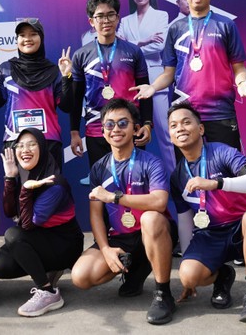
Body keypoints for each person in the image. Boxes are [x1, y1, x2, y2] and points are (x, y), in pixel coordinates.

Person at [71, 98, 177, 325]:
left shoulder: (151, 162)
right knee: (81, 276)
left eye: (122, 123)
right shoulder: (99, 168)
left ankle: (163, 293)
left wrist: (115, 197)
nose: (116, 129)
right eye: (109, 125)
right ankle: (136, 269)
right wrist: (105, 249)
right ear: (103, 131)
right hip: (121, 238)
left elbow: (159, 202)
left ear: (135, 129)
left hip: (154, 231)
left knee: (150, 218)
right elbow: (95, 215)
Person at [133, 0, 246, 150]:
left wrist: (242, 83)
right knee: (189, 168)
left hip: (220, 112)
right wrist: (153, 87)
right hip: (184, 114)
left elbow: (239, 68)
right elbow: (169, 74)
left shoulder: (226, 25)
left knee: (228, 166)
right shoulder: (175, 29)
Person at [168, 102, 246, 325]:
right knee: (188, 275)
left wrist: (218, 183)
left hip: (241, 228)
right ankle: (222, 275)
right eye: (173, 126)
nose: (180, 128)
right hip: (210, 233)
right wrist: (188, 261)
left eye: (186, 122)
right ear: (171, 137)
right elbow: (185, 222)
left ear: (200, 129)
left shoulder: (221, 151)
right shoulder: (177, 176)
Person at [0, 128, 84, 317]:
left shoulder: (55, 184)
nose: (25, 150)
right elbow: (10, 212)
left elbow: (27, 225)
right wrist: (10, 178)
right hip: (40, 239)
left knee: (13, 235)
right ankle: (50, 270)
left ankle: (48, 291)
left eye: (32, 144)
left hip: (64, 244)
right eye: (20, 146)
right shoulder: (24, 174)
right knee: (0, 265)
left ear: (42, 148)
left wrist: (25, 191)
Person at [70, 0, 153, 174]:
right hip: (96, 129)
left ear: (118, 18)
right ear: (91, 21)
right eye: (100, 16)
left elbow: (145, 91)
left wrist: (147, 124)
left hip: (130, 128)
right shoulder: (81, 55)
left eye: (110, 15)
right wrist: (74, 131)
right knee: (102, 182)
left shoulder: (133, 52)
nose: (106, 20)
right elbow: (76, 98)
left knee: (135, 180)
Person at [0, 18, 72, 167]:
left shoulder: (54, 71)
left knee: (50, 183)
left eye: (33, 34)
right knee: (15, 183)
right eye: (22, 35)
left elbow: (66, 106)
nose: (27, 39)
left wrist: (66, 77)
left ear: (41, 38)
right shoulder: (6, 69)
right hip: (15, 142)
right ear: (17, 40)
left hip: (48, 141)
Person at [118, 0, 175, 173]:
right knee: (132, 134)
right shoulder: (125, 20)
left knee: (166, 135)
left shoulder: (161, 16)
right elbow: (120, 48)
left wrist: (133, 47)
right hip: (131, 82)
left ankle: (176, 179)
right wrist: (144, 41)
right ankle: (134, 178)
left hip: (155, 80)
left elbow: (159, 46)